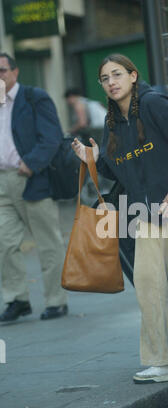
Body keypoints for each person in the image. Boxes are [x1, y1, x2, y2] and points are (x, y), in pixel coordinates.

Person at [71, 54, 168, 383]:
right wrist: (93, 159)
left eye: (117, 74)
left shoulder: (155, 105)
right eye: (105, 78)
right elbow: (118, 168)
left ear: (133, 76)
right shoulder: (112, 122)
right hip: (146, 216)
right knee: (149, 287)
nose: (111, 82)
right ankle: (167, 362)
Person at [0, 53, 68, 322]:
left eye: (2, 70)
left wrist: (32, 163)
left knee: (47, 243)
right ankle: (17, 299)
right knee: (5, 244)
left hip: (31, 178)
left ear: (15, 72)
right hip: (2, 182)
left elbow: (51, 137)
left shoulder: (33, 97)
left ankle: (56, 300)